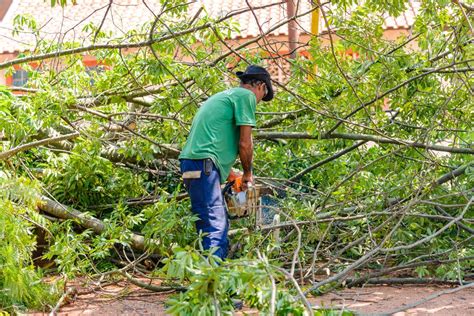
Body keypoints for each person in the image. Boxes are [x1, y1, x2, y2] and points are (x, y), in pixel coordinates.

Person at [179, 65, 274, 259]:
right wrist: (247, 173)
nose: (259, 101)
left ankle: (208, 275)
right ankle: (212, 279)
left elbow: (211, 143)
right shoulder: (245, 96)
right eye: (262, 96)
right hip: (203, 165)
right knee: (216, 224)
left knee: (209, 223)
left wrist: (232, 175)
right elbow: (245, 143)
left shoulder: (225, 96)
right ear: (260, 86)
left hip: (193, 164)